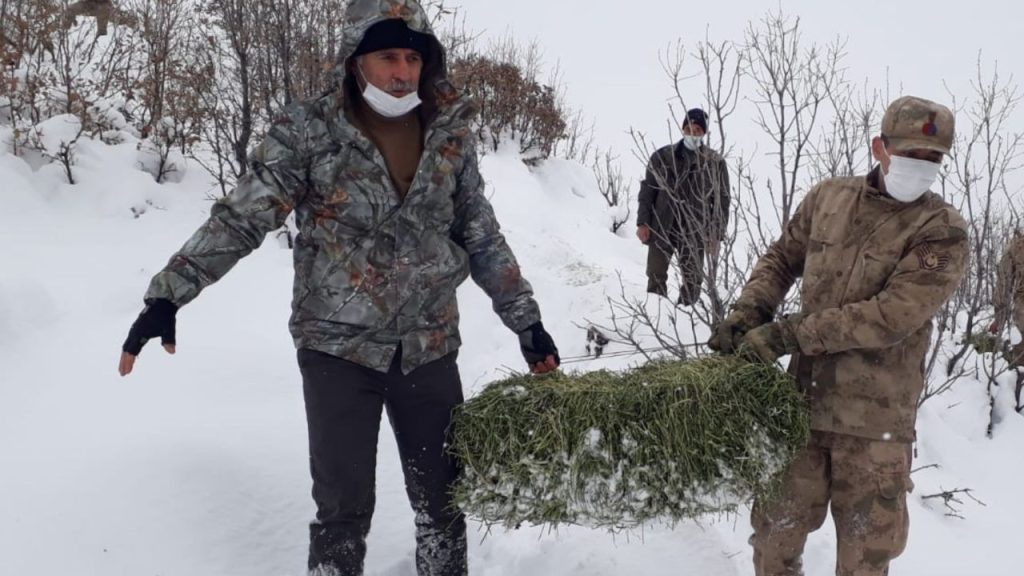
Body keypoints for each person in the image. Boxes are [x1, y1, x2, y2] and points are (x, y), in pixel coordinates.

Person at [117, 2, 560, 575]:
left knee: (445, 505)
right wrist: (168, 294)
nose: (403, 71)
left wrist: (525, 319)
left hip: (428, 347)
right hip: (337, 349)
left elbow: (480, 232)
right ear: (355, 60)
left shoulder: (449, 132)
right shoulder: (308, 130)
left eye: (412, 57)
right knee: (342, 512)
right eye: (387, 57)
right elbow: (242, 216)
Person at [709, 96, 969, 576]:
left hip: (875, 429)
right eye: (911, 155)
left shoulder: (943, 230)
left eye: (933, 159)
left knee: (866, 561)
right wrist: (749, 311)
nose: (922, 167)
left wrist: (787, 335)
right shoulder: (830, 198)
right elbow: (782, 258)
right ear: (880, 147)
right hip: (799, 414)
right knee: (773, 540)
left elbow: (890, 316)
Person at [636, 107, 730, 306]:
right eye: (688, 128)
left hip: (695, 230)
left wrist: (716, 234)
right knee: (655, 275)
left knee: (692, 280)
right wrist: (643, 222)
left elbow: (722, 201)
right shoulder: (662, 157)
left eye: (697, 130)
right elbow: (647, 192)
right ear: (682, 129)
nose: (692, 133)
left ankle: (685, 321)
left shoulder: (714, 163)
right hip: (662, 225)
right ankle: (656, 317)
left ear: (704, 133)